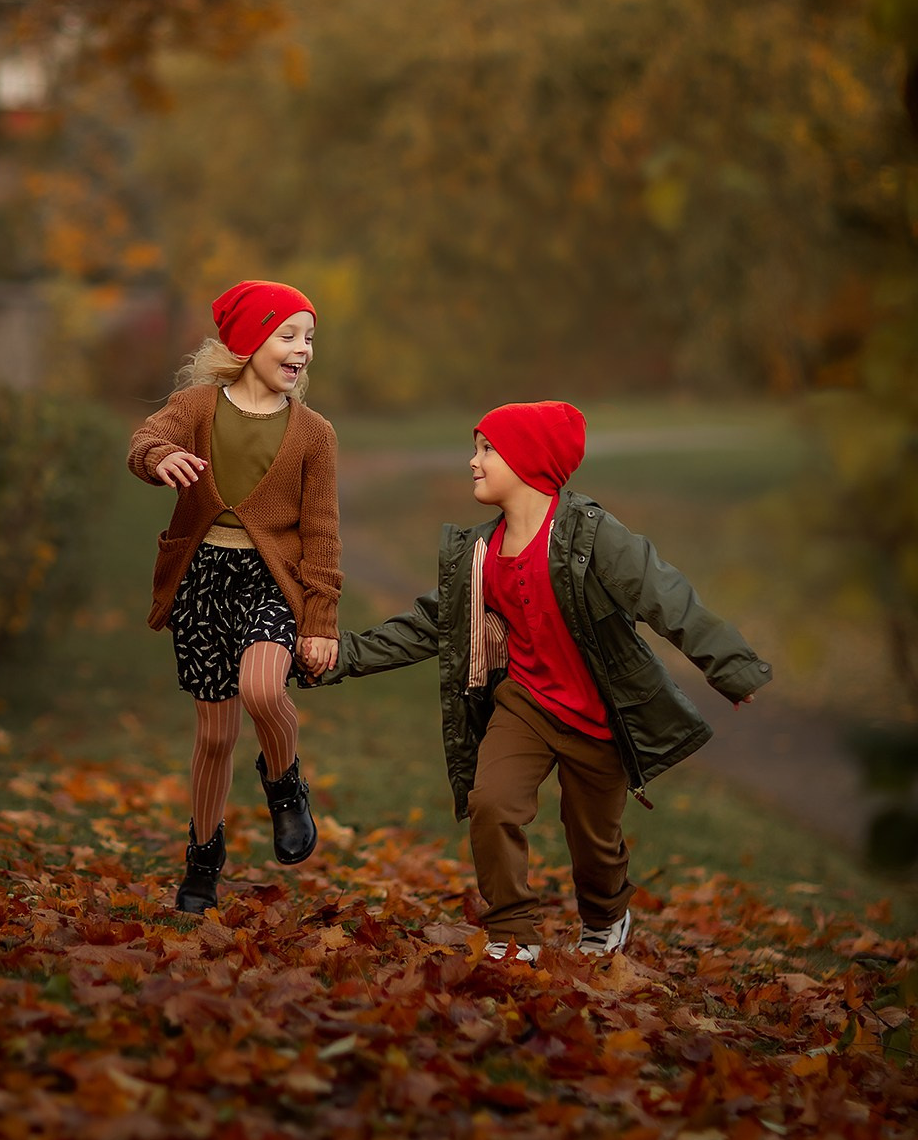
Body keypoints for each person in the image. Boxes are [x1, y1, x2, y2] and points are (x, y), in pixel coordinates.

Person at [300, 400, 772, 961]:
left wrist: (731, 666)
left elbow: (665, 595)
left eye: (487, 450)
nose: (472, 462)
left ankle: (605, 918)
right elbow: (428, 625)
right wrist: (339, 655)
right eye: (475, 449)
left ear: (529, 462)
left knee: (593, 842)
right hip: (525, 704)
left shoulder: (593, 536)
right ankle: (512, 934)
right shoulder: (480, 552)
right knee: (491, 802)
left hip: (598, 713)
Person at [128, 280, 341, 913]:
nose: (302, 349)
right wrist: (161, 457)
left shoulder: (314, 434)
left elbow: (322, 531)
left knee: (263, 690)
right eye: (288, 335)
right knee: (215, 737)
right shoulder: (195, 407)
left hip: (270, 583)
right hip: (202, 580)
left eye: (309, 338)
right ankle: (203, 856)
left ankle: (284, 784)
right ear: (249, 341)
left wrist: (321, 621)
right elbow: (144, 440)